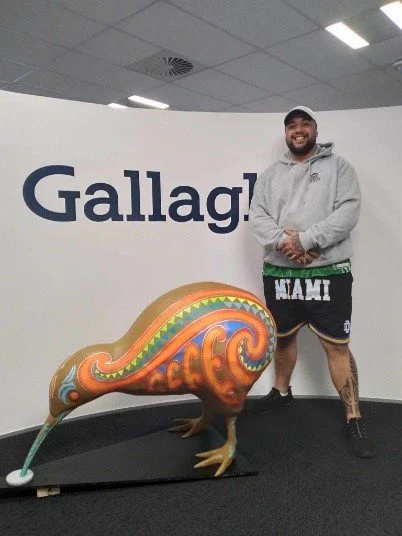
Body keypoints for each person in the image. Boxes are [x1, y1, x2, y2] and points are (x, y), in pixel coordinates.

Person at [249, 106, 375, 458]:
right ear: (286, 133)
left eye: (305, 123)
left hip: (328, 273)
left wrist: (305, 241)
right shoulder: (270, 175)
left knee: (337, 346)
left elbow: (347, 213)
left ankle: (354, 417)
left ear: (316, 129)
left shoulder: (339, 168)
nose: (298, 129)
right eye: (292, 125)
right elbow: (257, 216)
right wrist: (284, 243)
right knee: (283, 337)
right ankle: (281, 392)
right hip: (280, 273)